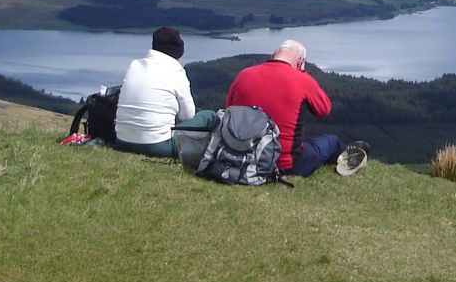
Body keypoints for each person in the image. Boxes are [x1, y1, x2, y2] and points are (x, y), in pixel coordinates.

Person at [225, 39, 368, 176]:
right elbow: (324, 109)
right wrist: (302, 73)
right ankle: (349, 157)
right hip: (285, 164)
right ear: (300, 62)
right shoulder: (302, 80)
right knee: (332, 141)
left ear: (273, 54)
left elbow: (228, 111)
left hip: (239, 156)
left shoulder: (243, 75)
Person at [115, 27, 217, 158]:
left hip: (121, 141)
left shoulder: (135, 64)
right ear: (178, 52)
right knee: (209, 116)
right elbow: (188, 116)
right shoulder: (176, 71)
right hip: (157, 146)